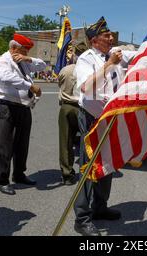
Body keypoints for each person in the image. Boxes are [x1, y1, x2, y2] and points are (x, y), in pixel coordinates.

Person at [73, 16, 135, 236]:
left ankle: (100, 206)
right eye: (106, 35)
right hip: (92, 117)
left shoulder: (115, 54)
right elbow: (86, 88)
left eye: (111, 35)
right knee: (89, 166)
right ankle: (82, 217)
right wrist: (109, 65)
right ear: (94, 40)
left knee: (108, 163)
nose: (111, 38)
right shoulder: (86, 59)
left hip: (110, 118)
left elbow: (142, 53)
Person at [0, 33, 46, 195]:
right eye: (24, 51)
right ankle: (2, 179)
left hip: (23, 107)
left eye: (26, 51)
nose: (26, 54)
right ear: (14, 48)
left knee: (22, 144)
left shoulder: (23, 62)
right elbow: (7, 78)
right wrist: (30, 86)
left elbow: (42, 66)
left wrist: (27, 59)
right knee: (4, 145)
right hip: (6, 106)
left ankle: (19, 173)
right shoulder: (2, 61)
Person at [57, 41, 88, 185]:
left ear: (75, 53)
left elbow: (60, 84)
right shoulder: (89, 70)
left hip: (67, 107)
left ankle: (67, 173)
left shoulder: (66, 69)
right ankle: (86, 171)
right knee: (85, 141)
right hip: (83, 107)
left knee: (66, 142)